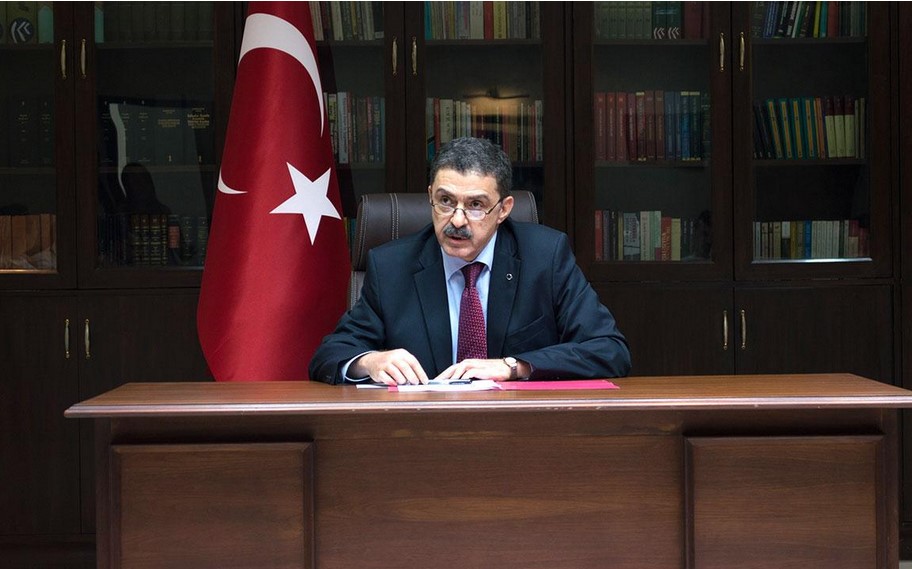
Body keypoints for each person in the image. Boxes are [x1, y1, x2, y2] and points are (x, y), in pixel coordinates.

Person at [309, 136, 631, 385]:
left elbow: (609, 350)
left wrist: (514, 366)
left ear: (503, 209)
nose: (458, 220)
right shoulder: (392, 267)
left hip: (520, 431)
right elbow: (330, 355)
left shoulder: (544, 257)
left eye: (476, 205)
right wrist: (369, 362)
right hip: (421, 432)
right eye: (445, 201)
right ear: (430, 195)